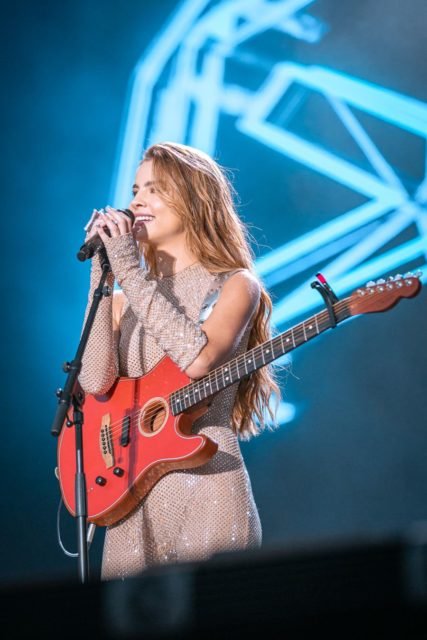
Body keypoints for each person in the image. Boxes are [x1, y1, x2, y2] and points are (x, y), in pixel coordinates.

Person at [79, 141, 280, 580]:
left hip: (208, 483)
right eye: (135, 189)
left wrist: (131, 273)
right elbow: (94, 381)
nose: (135, 201)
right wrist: (103, 274)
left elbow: (198, 360)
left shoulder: (234, 285)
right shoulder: (122, 299)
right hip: (129, 493)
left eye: (154, 189)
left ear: (193, 199)